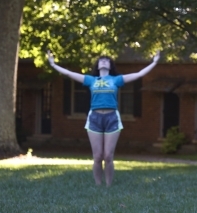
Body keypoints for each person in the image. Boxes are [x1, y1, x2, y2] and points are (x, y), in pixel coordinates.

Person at [47, 50, 160, 186]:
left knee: (108, 155)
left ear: (110, 66)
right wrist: (53, 64)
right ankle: (98, 185)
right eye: (102, 60)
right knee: (97, 156)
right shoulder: (91, 80)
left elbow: (139, 74)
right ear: (98, 65)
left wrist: (154, 62)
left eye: (107, 60)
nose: (104, 61)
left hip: (112, 118)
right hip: (95, 118)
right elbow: (69, 73)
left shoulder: (116, 80)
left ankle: (108, 185)